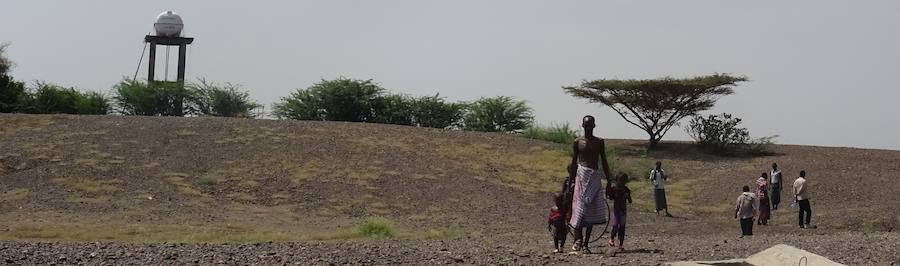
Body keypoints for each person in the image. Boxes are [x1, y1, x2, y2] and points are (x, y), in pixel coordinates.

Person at [567, 115, 611, 254]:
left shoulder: (599, 142)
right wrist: (570, 180)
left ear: (594, 126)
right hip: (581, 176)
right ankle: (577, 240)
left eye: (591, 125)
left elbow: (603, 161)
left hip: (594, 178)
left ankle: (586, 244)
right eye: (586, 125)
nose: (588, 128)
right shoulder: (577, 142)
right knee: (580, 209)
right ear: (582, 125)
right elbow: (574, 162)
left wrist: (610, 180)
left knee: (591, 210)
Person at [606, 172, 632, 251]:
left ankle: (620, 245)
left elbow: (630, 201)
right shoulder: (615, 189)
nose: (622, 182)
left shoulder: (626, 190)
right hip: (616, 211)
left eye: (624, 181)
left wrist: (627, 196)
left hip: (623, 210)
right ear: (617, 180)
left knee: (622, 227)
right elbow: (610, 197)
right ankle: (611, 239)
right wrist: (608, 187)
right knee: (615, 226)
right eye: (621, 180)